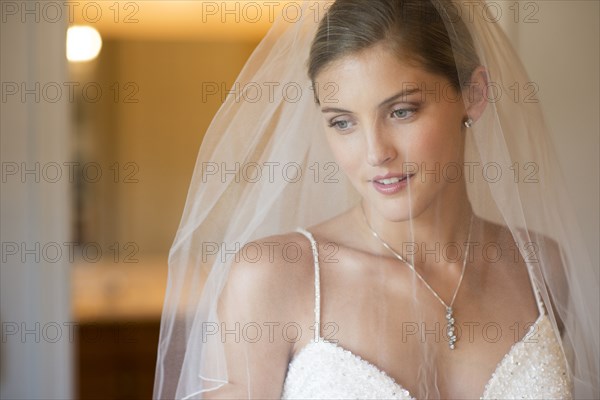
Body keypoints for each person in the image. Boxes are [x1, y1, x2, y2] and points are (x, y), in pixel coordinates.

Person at [153, 0, 599, 399]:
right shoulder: (275, 278)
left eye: (401, 111)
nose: (375, 153)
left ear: (474, 95)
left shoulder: (541, 266)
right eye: (343, 123)